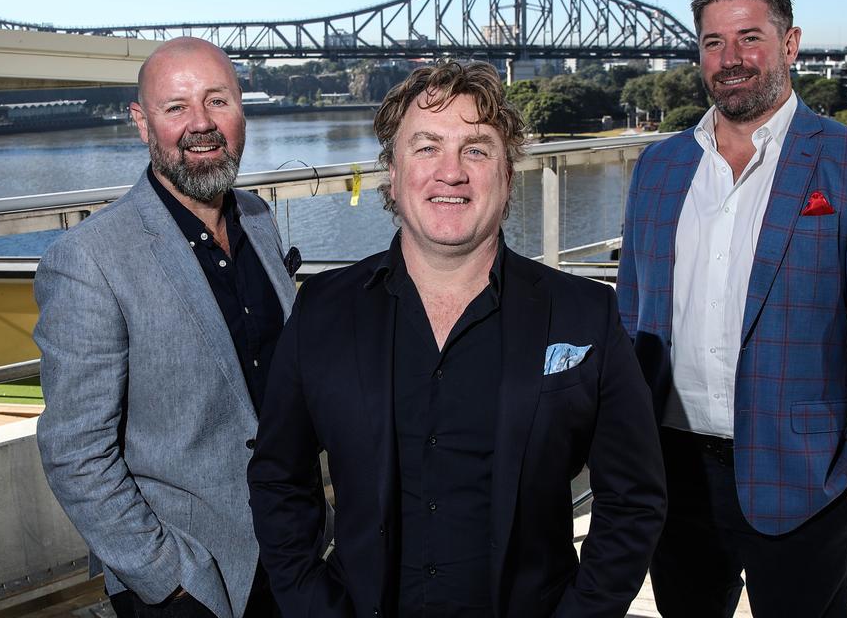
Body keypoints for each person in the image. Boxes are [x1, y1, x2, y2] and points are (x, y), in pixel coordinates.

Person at [248, 60, 666, 618]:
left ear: (508, 176)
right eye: (425, 148)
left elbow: (633, 500)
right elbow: (279, 477)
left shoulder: (585, 313)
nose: (451, 172)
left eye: (476, 149)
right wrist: (313, 605)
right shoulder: (323, 308)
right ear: (392, 177)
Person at [616, 0, 847, 617]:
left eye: (750, 38)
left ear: (790, 45)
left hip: (806, 484)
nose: (731, 59)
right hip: (672, 475)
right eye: (713, 42)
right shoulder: (659, 167)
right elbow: (629, 317)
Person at [35, 37, 301, 618]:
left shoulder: (258, 220)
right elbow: (75, 451)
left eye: (218, 101)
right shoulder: (89, 258)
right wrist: (166, 582)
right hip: (190, 576)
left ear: (241, 109)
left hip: (291, 549)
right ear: (141, 122)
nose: (200, 125)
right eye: (176, 107)